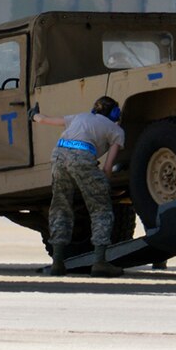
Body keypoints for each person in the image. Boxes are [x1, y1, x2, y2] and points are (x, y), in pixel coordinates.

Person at [33, 95, 126, 278]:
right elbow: (107, 167)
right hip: (83, 158)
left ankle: (58, 263)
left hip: (59, 156)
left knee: (60, 207)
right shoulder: (116, 130)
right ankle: (100, 263)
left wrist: (33, 115)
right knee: (101, 209)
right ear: (115, 113)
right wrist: (104, 184)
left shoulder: (80, 117)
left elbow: (43, 119)